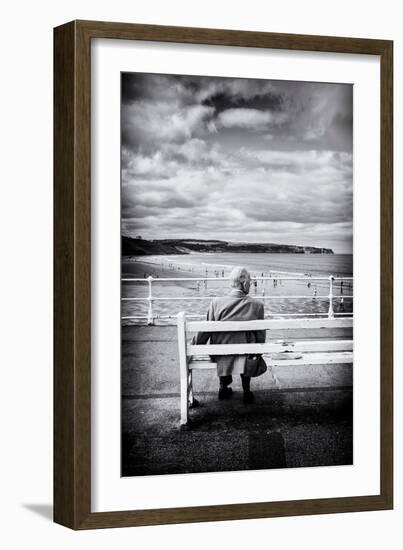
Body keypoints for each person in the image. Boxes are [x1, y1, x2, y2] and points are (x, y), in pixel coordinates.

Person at [192, 266, 265, 404]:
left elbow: (205, 330)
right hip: (247, 355)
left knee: (223, 344)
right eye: (249, 280)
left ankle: (223, 387)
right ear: (243, 283)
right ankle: (246, 390)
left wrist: (195, 345)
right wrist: (260, 348)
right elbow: (261, 336)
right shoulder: (257, 305)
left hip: (221, 354)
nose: (251, 283)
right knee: (248, 348)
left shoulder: (216, 303)